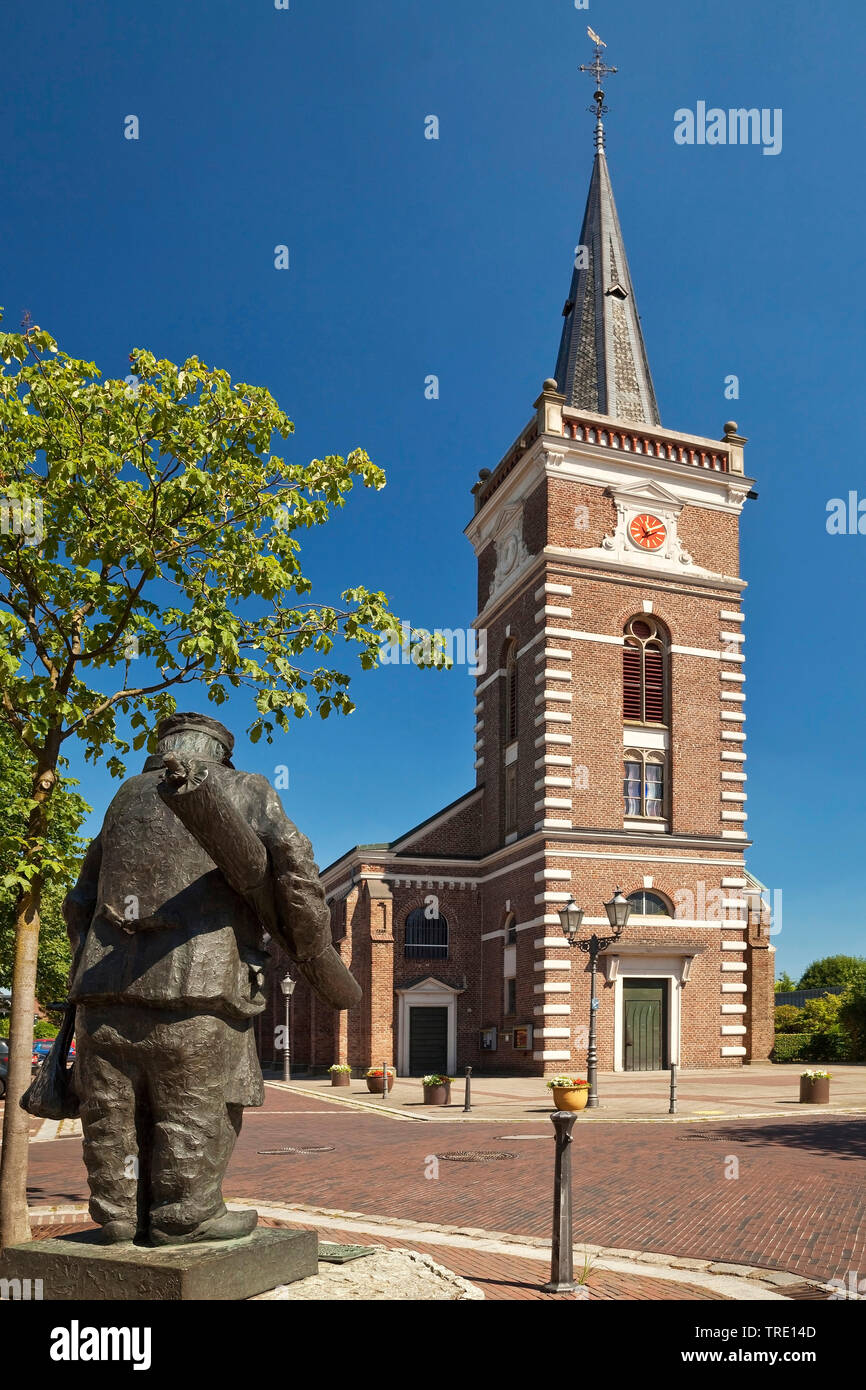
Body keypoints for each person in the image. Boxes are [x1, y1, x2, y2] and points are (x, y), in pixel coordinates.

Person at [60, 711, 359, 1246]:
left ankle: (118, 1214)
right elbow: (295, 872)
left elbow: (79, 901)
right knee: (195, 1106)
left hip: (102, 994)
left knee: (111, 1110)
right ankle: (185, 1215)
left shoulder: (125, 796)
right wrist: (309, 941)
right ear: (221, 752)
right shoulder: (247, 788)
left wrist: (88, 965)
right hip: (200, 988)